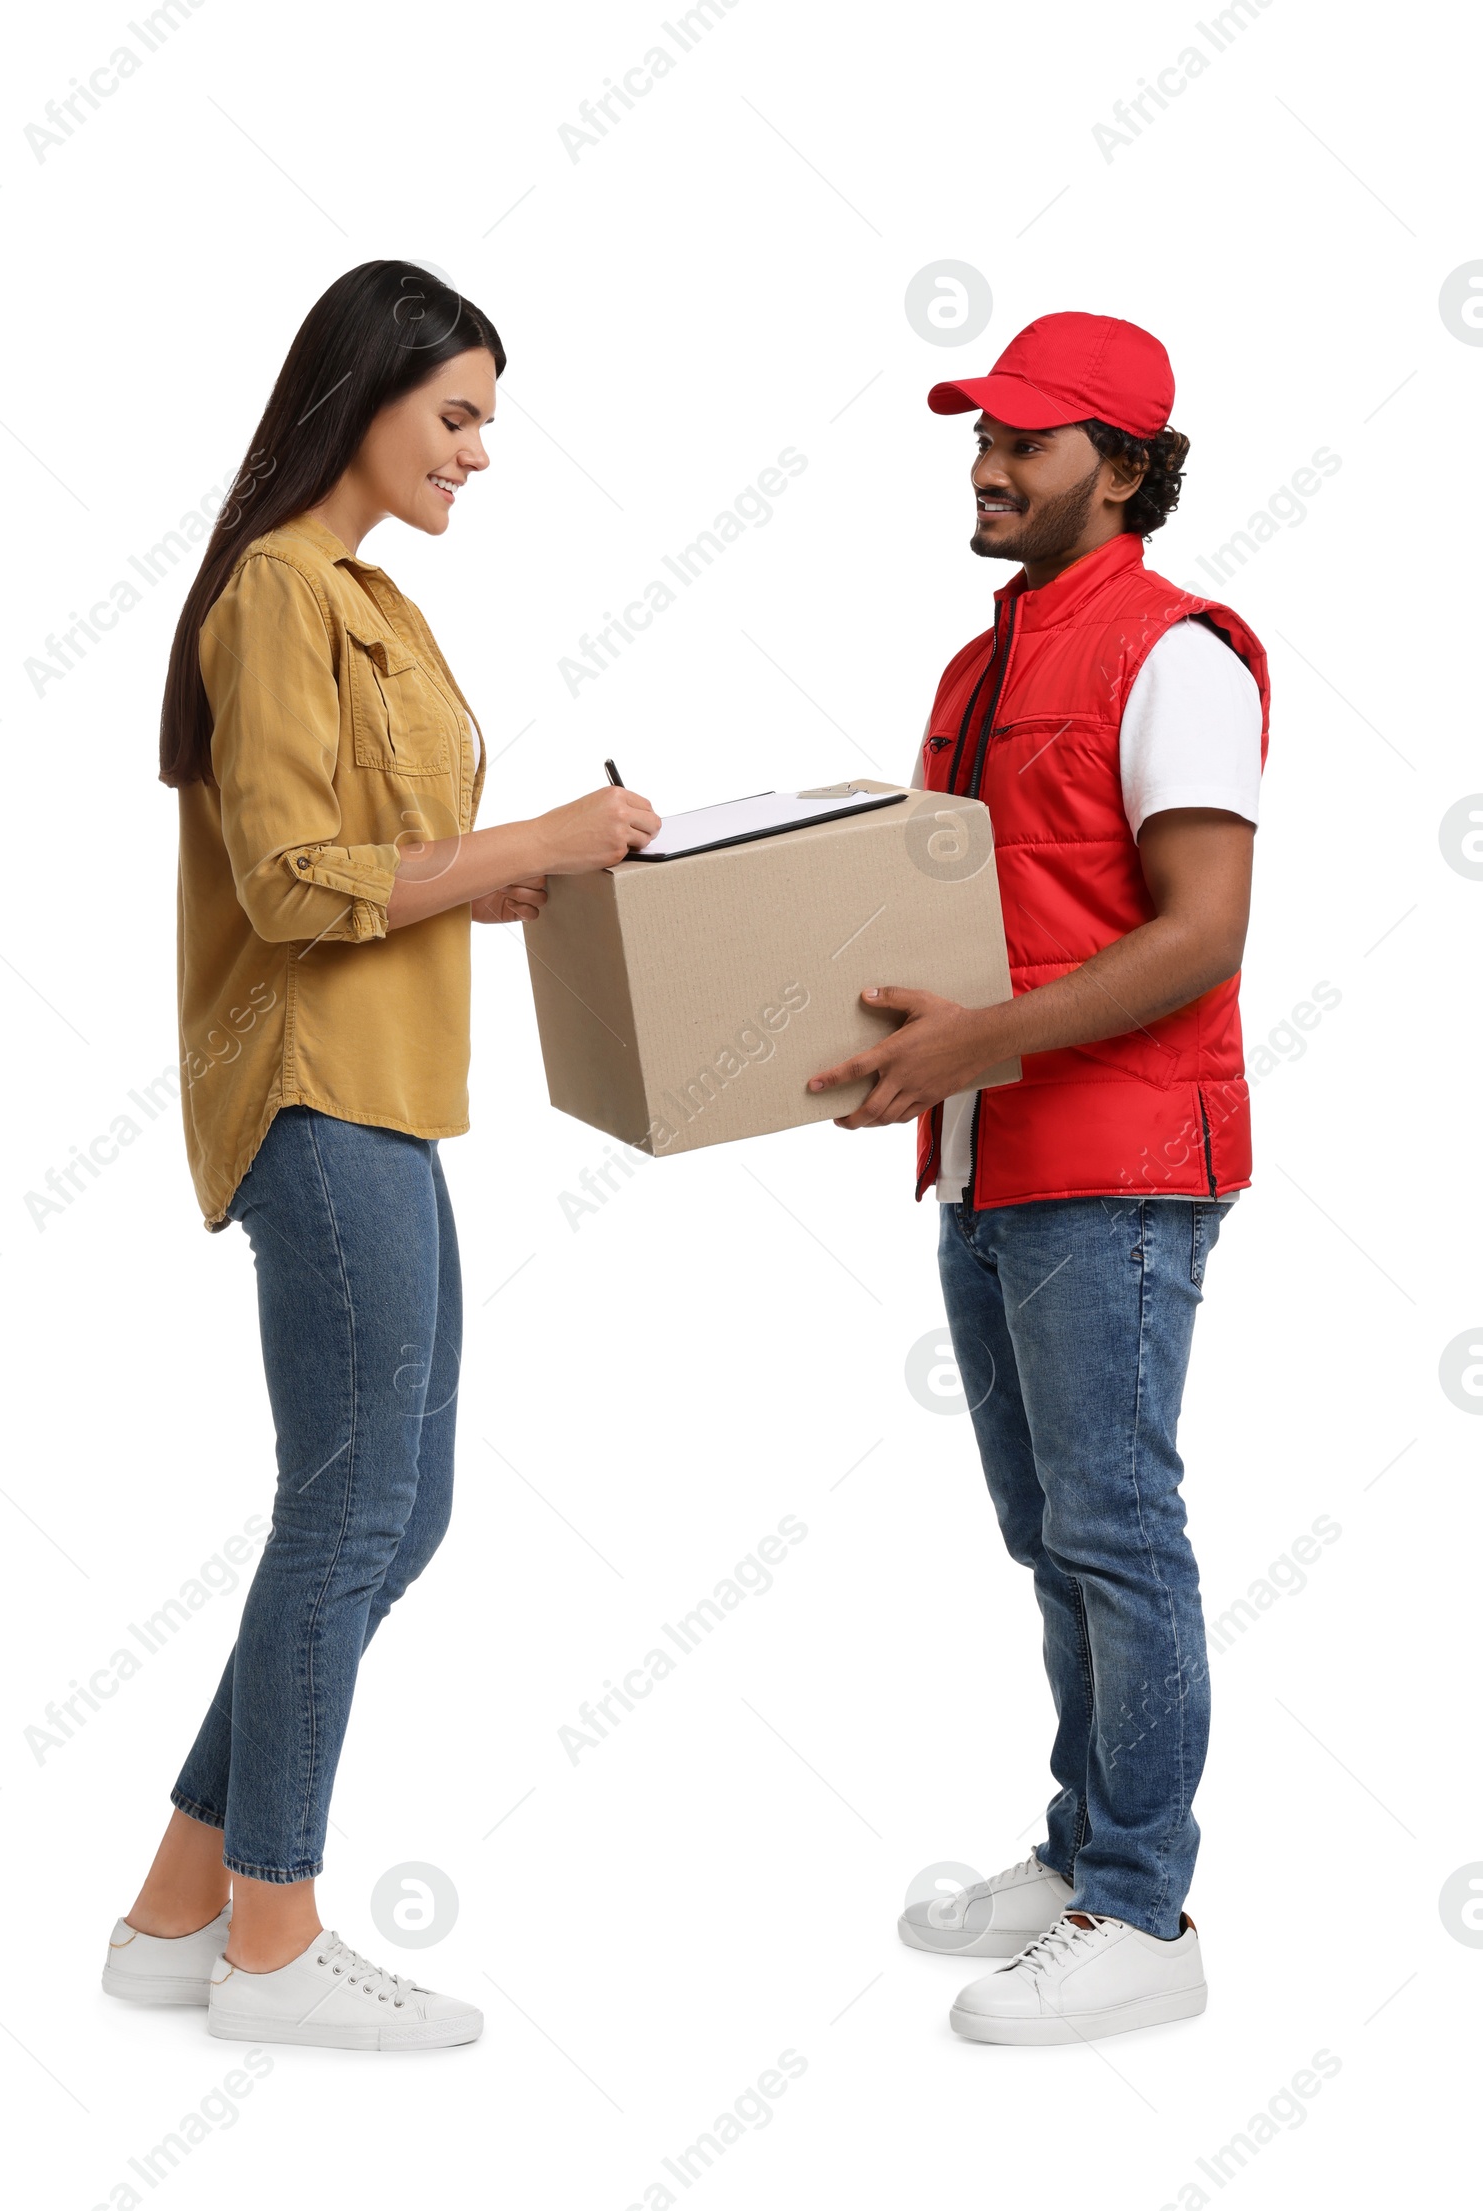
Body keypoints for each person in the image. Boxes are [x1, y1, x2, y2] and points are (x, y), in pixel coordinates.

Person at [100, 260, 659, 2052]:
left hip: (396, 1090)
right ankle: (276, 1943)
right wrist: (536, 833)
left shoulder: (381, 609)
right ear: (364, 393)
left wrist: (544, 872)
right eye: (459, 414)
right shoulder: (277, 595)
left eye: (488, 420)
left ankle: (179, 1908)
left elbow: (398, 870)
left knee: (393, 1509)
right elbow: (291, 886)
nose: (482, 453)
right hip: (315, 1096)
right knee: (347, 1510)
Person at [807, 313, 1267, 2046]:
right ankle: (1086, 1852)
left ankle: (1147, 1907)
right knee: (1050, 1532)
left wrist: (977, 1040)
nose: (992, 467)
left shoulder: (1179, 655)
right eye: (979, 437)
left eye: (1031, 441)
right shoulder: (978, 663)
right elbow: (965, 913)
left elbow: (1201, 938)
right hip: (992, 1159)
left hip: (1118, 1162)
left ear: (1128, 466)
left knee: (1118, 1531)